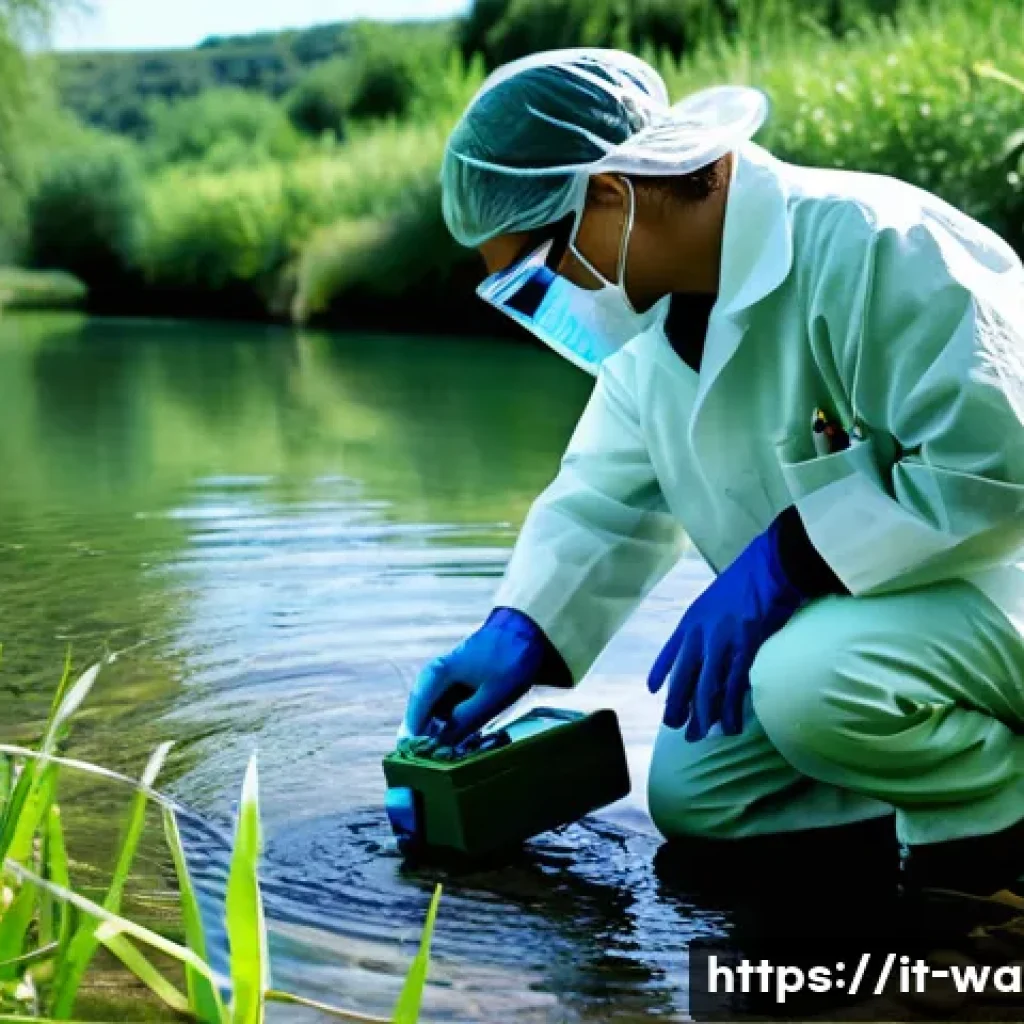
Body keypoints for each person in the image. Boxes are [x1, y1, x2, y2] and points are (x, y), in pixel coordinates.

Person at [400, 48, 1024, 929]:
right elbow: (604, 501)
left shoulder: (877, 243)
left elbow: (999, 469)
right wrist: (520, 632)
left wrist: (791, 556)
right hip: (885, 631)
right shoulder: (648, 321)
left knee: (811, 684)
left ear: (612, 197)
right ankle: (896, 806)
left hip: (999, 596)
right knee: (701, 797)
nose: (554, 295)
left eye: (541, 263)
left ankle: (986, 843)